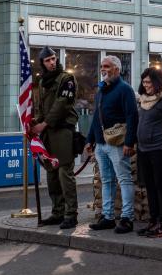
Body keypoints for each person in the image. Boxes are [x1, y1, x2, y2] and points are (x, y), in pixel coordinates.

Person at [86, 55, 138, 233]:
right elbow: (96, 117)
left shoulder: (125, 90)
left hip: (118, 143)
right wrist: (90, 140)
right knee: (106, 180)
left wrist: (129, 142)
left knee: (124, 179)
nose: (103, 69)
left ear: (116, 69)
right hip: (101, 144)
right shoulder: (101, 90)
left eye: (107, 66)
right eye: (102, 66)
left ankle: (127, 218)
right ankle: (107, 217)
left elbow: (132, 117)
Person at [31, 46, 79, 229]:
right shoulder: (43, 81)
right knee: (51, 173)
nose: (52, 62)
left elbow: (62, 104)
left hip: (62, 131)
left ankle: (71, 213)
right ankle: (57, 212)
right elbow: (43, 107)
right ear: (42, 63)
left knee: (64, 172)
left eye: (53, 59)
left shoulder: (66, 79)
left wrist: (44, 123)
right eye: (47, 60)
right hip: (48, 133)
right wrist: (36, 121)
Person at [135, 68, 162, 238]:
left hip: (160, 150)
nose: (146, 85)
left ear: (157, 82)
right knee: (150, 188)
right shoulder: (143, 101)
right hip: (144, 151)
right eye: (144, 82)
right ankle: (153, 221)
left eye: (149, 82)